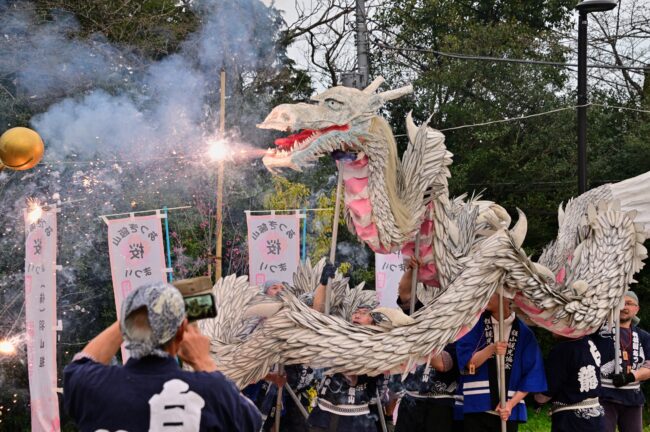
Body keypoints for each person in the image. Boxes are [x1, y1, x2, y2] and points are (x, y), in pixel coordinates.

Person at [63, 282, 262, 432]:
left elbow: (83, 361)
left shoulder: (90, 385)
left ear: (128, 326)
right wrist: (203, 361)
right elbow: (250, 420)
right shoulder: (212, 392)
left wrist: (138, 310)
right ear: (181, 330)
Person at [456, 292, 547, 432]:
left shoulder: (525, 333)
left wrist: (511, 404)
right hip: (477, 406)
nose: (485, 297)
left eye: (491, 292)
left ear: (507, 296)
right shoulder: (473, 326)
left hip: (508, 411)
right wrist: (491, 349)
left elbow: (532, 375)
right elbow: (469, 364)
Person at [393, 256, 460, 432]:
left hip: (440, 406)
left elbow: (442, 364)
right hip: (411, 401)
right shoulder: (423, 318)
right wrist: (411, 270)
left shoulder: (461, 329)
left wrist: (417, 336)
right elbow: (405, 294)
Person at [307, 302, 387, 432]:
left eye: (363, 313)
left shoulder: (379, 347)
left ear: (374, 323)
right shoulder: (338, 337)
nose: (357, 316)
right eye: (356, 312)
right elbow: (316, 315)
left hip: (355, 418)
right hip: (324, 412)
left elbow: (353, 378)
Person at [592, 291, 650, 432]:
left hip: (633, 398)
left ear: (636, 309)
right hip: (603, 397)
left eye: (629, 304)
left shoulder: (644, 336)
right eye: (620, 303)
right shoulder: (597, 331)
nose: (624, 307)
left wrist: (630, 377)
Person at [534, 335, 604, 431]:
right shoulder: (589, 342)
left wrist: (538, 399)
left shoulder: (562, 349)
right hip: (595, 415)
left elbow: (550, 387)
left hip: (571, 420)